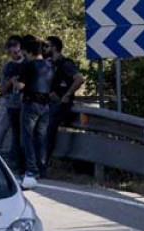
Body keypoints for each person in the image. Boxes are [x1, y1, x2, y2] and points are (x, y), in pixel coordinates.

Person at [15, 36, 52, 188]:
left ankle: (31, 169)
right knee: (41, 137)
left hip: (31, 104)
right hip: (46, 105)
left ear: (29, 52)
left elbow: (21, 86)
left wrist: (14, 82)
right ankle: (42, 168)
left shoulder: (29, 66)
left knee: (28, 137)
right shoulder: (49, 65)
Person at [44, 36, 83, 165]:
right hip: (51, 102)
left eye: (47, 46)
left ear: (54, 47)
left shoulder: (65, 64)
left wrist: (67, 94)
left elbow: (79, 79)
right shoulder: (49, 64)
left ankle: (43, 163)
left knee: (48, 130)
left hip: (61, 104)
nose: (45, 48)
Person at [0, 36, 24, 172]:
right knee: (1, 130)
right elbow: (2, 89)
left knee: (21, 134)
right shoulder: (8, 67)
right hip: (11, 103)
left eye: (18, 51)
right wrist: (11, 81)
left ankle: (19, 161)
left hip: (25, 104)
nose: (17, 55)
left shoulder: (28, 63)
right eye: (13, 53)